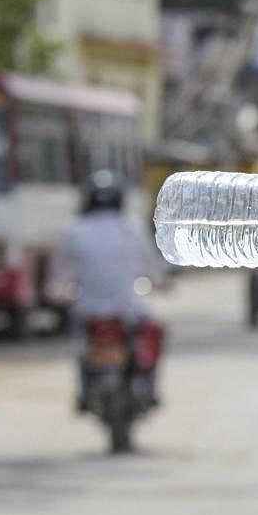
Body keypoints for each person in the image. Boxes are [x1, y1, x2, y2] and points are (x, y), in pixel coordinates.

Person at [46, 169, 168, 409]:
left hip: (87, 311)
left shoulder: (75, 231)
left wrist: (57, 292)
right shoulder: (131, 228)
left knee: (80, 345)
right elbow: (153, 267)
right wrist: (162, 283)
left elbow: (58, 276)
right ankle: (150, 386)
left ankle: (83, 390)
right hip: (127, 311)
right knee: (153, 333)